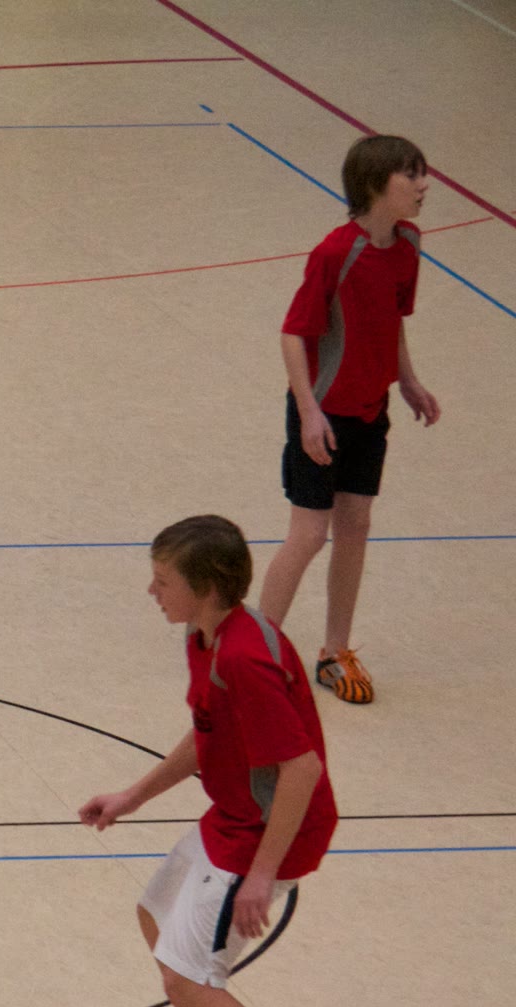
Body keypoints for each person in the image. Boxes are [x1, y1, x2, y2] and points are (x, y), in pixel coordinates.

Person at [80, 515, 347, 1007]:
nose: (152, 591)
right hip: (232, 817)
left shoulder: (247, 659)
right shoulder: (207, 638)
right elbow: (210, 732)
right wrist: (134, 795)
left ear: (205, 587)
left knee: (192, 978)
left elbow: (300, 769)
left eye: (162, 581)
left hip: (266, 833)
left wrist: (261, 875)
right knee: (156, 915)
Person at [257, 134, 441, 706]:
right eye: (411, 175)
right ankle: (254, 655)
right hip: (323, 412)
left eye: (423, 173)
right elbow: (293, 335)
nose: (424, 184)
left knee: (356, 525)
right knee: (310, 534)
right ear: (374, 185)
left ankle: (335, 653)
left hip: (370, 409)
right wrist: (309, 413)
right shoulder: (335, 253)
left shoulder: (408, 244)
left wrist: (407, 379)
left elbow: (392, 319)